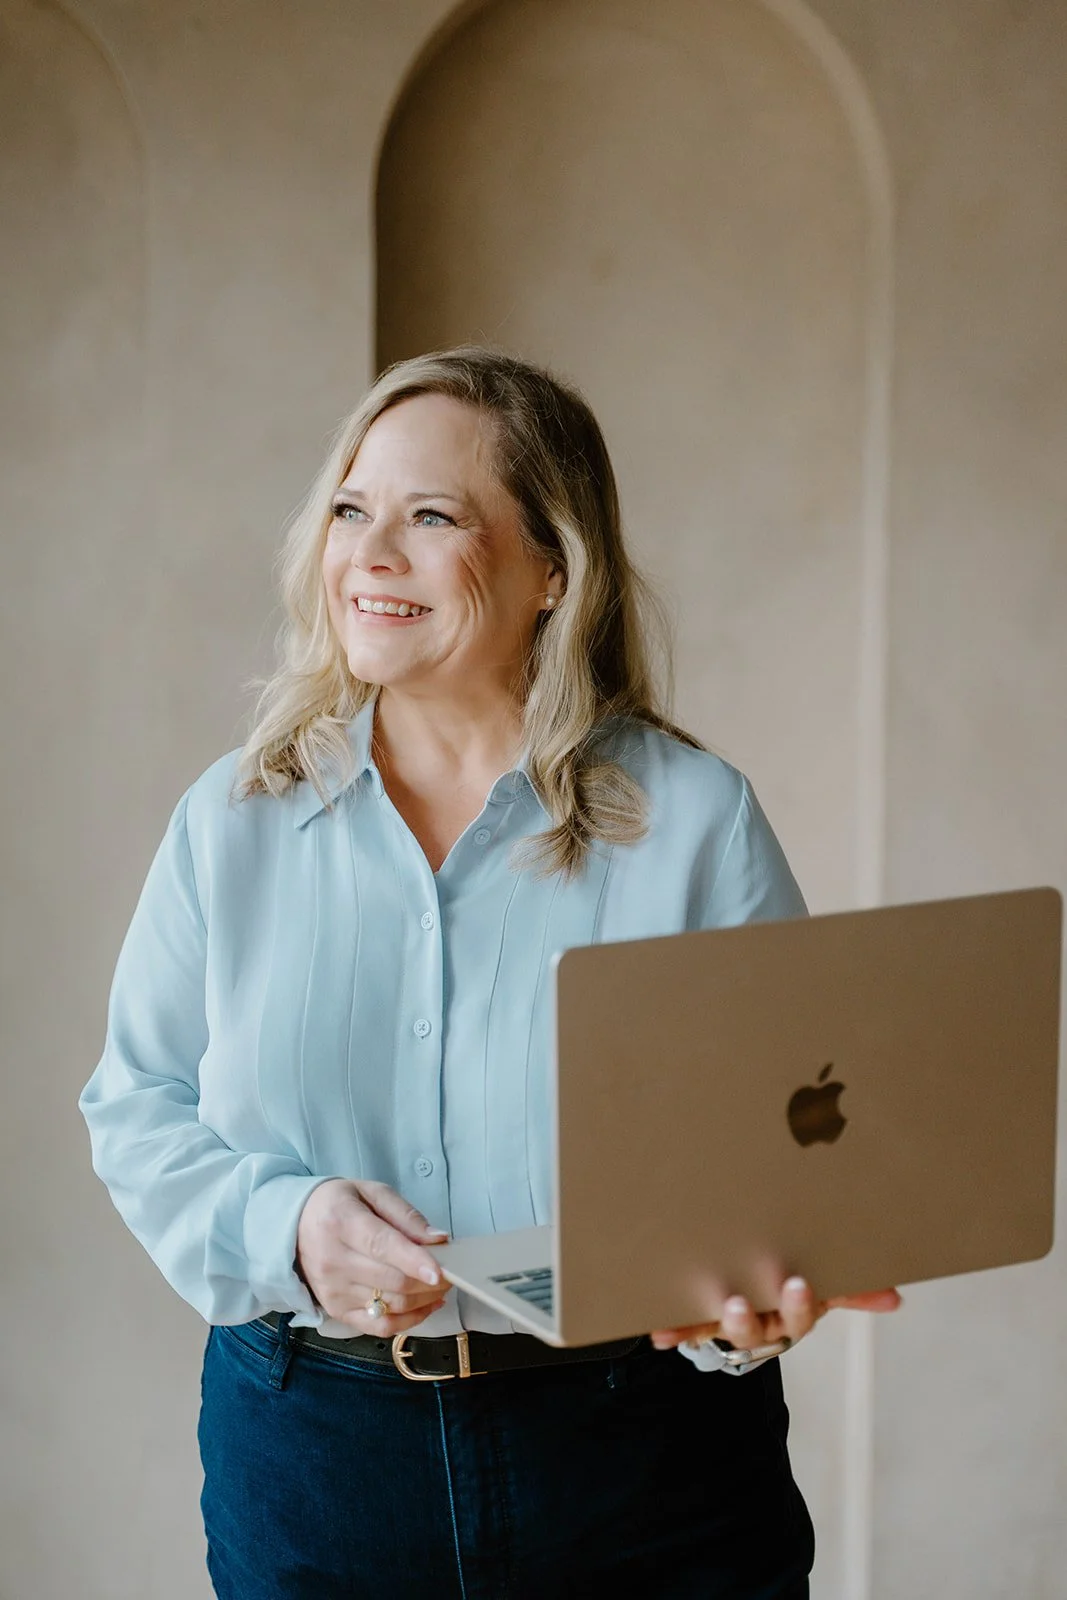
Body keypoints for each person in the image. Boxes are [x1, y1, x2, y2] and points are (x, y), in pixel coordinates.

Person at [78, 345, 900, 1598]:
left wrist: (755, 1304)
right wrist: (287, 1226)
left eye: (431, 517)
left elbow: (786, 1158)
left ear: (549, 569)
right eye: (352, 510)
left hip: (642, 1457)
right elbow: (133, 1106)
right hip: (317, 1457)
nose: (370, 551)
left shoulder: (690, 818)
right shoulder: (232, 818)